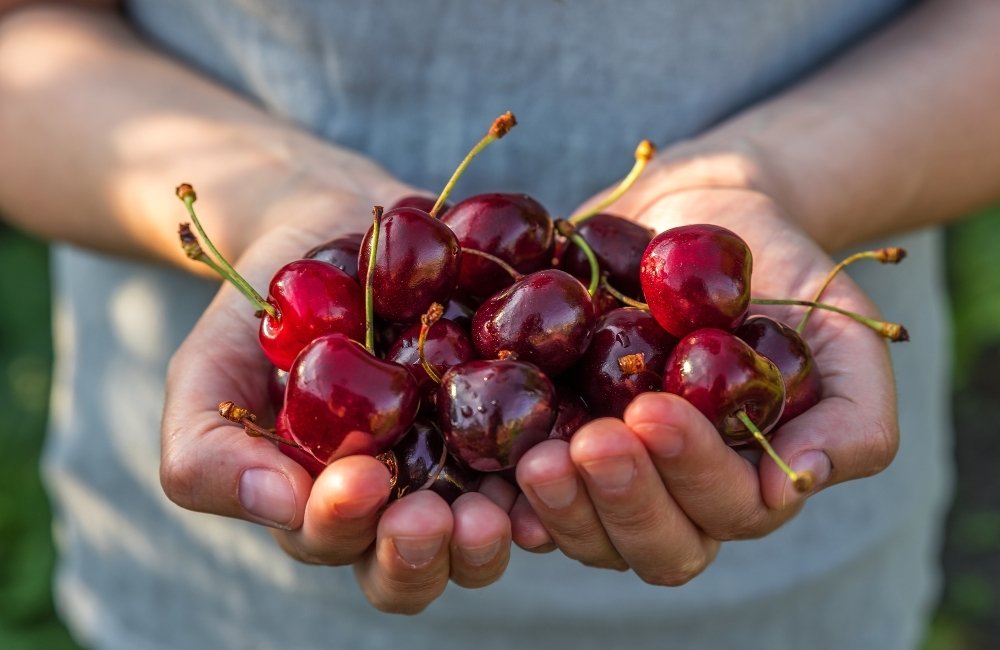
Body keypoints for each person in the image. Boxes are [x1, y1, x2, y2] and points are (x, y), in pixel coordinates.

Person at [2, 0, 998, 647]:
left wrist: (775, 179)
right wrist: (256, 194)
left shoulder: (677, 346)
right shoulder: (381, 341)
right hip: (223, 600)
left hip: (786, 593)